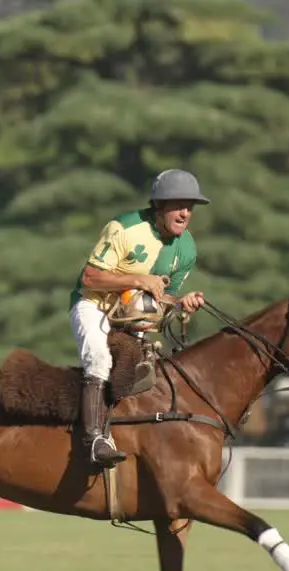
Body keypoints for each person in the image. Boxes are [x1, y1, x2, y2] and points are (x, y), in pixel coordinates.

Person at [69, 169, 209, 468]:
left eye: (190, 206)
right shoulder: (124, 228)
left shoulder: (187, 249)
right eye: (178, 204)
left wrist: (181, 302)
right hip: (93, 305)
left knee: (148, 374)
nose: (185, 212)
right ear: (159, 205)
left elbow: (158, 298)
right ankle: (94, 441)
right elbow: (90, 277)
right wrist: (139, 279)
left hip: (130, 319)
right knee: (99, 357)